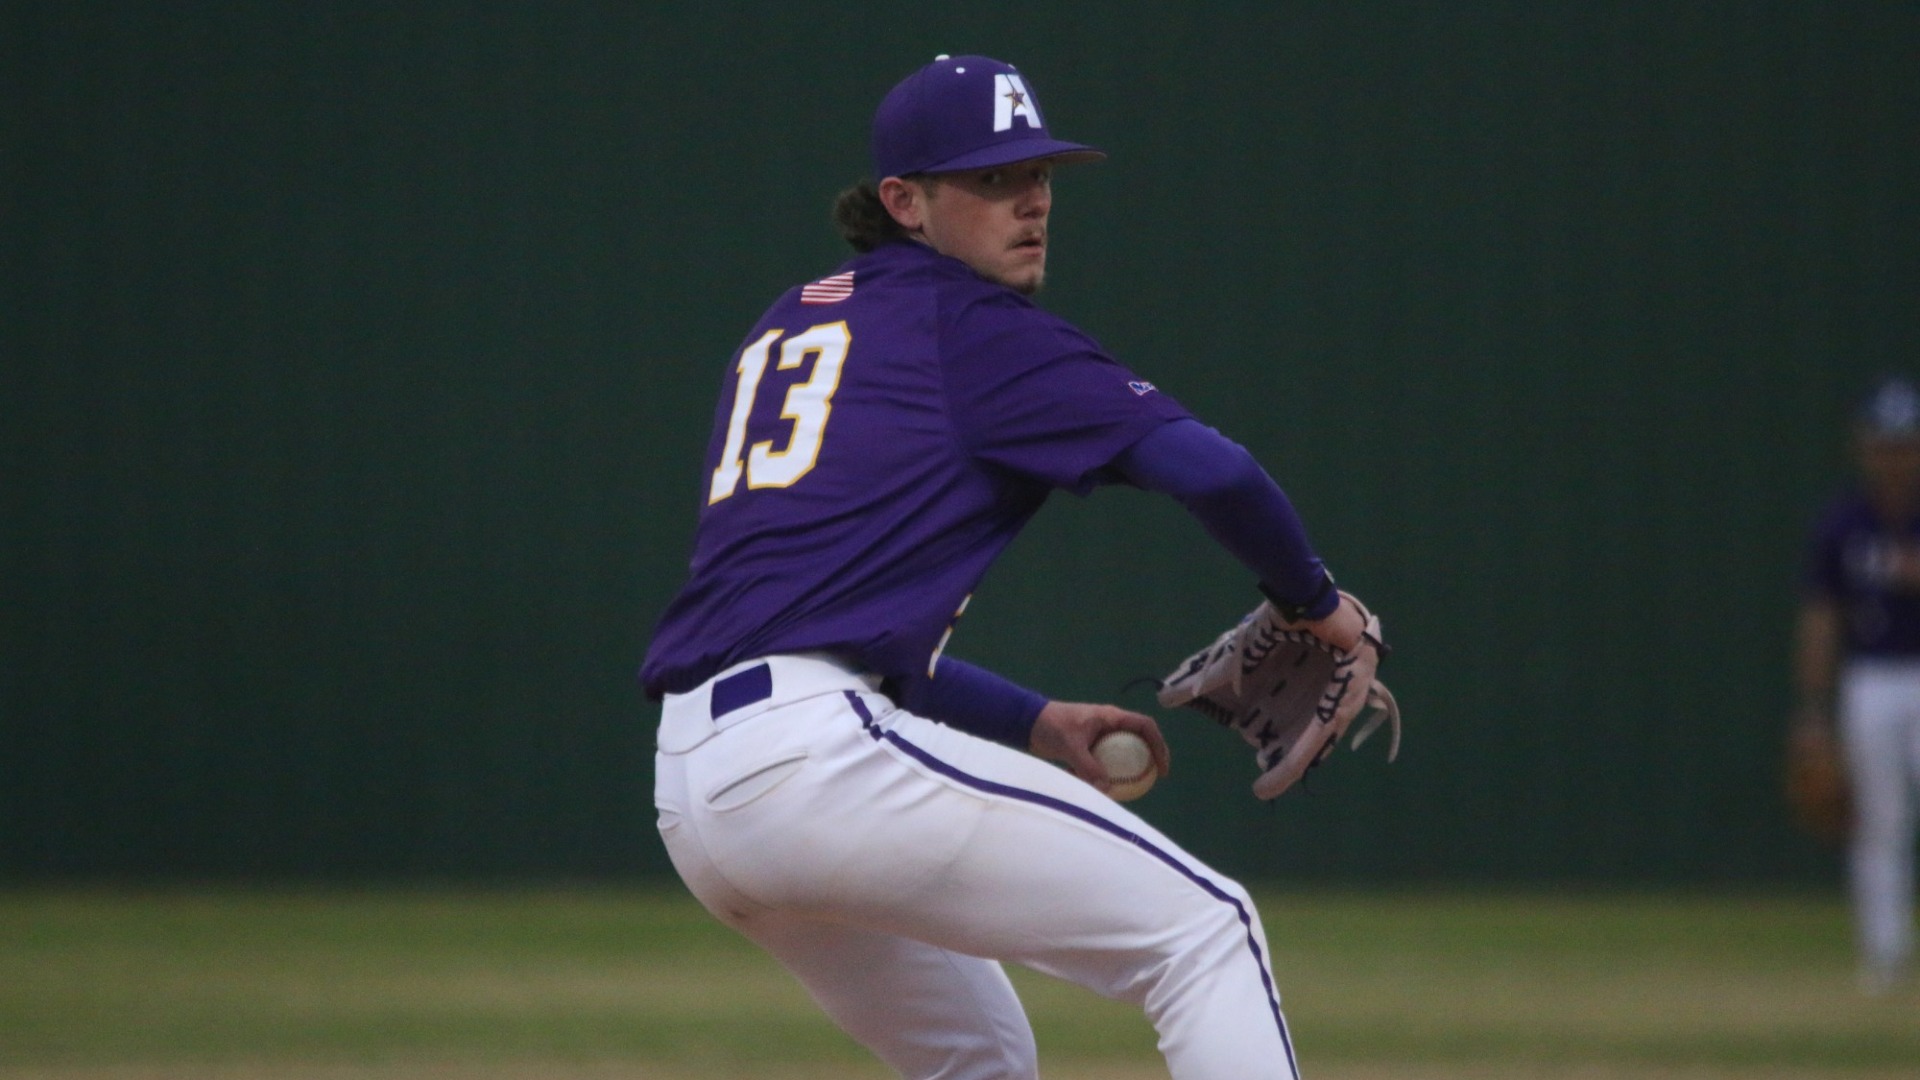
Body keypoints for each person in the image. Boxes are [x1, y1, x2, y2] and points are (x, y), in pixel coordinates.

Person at [642, 54, 1382, 1078]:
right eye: (991, 179)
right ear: (905, 201)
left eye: (1039, 174)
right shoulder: (971, 325)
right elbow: (1217, 473)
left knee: (978, 1055)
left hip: (700, 790)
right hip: (813, 763)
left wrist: (1032, 722)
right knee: (1204, 934)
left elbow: (822, 629)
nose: (1032, 200)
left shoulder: (797, 318)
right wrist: (1314, 603)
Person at [1795, 373, 1920, 996]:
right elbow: (1821, 616)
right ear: (1863, 446)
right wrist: (1813, 710)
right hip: (1871, 677)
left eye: (1904, 443)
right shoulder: (1843, 522)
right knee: (1878, 819)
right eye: (1882, 443)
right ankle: (1884, 954)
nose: (1893, 456)